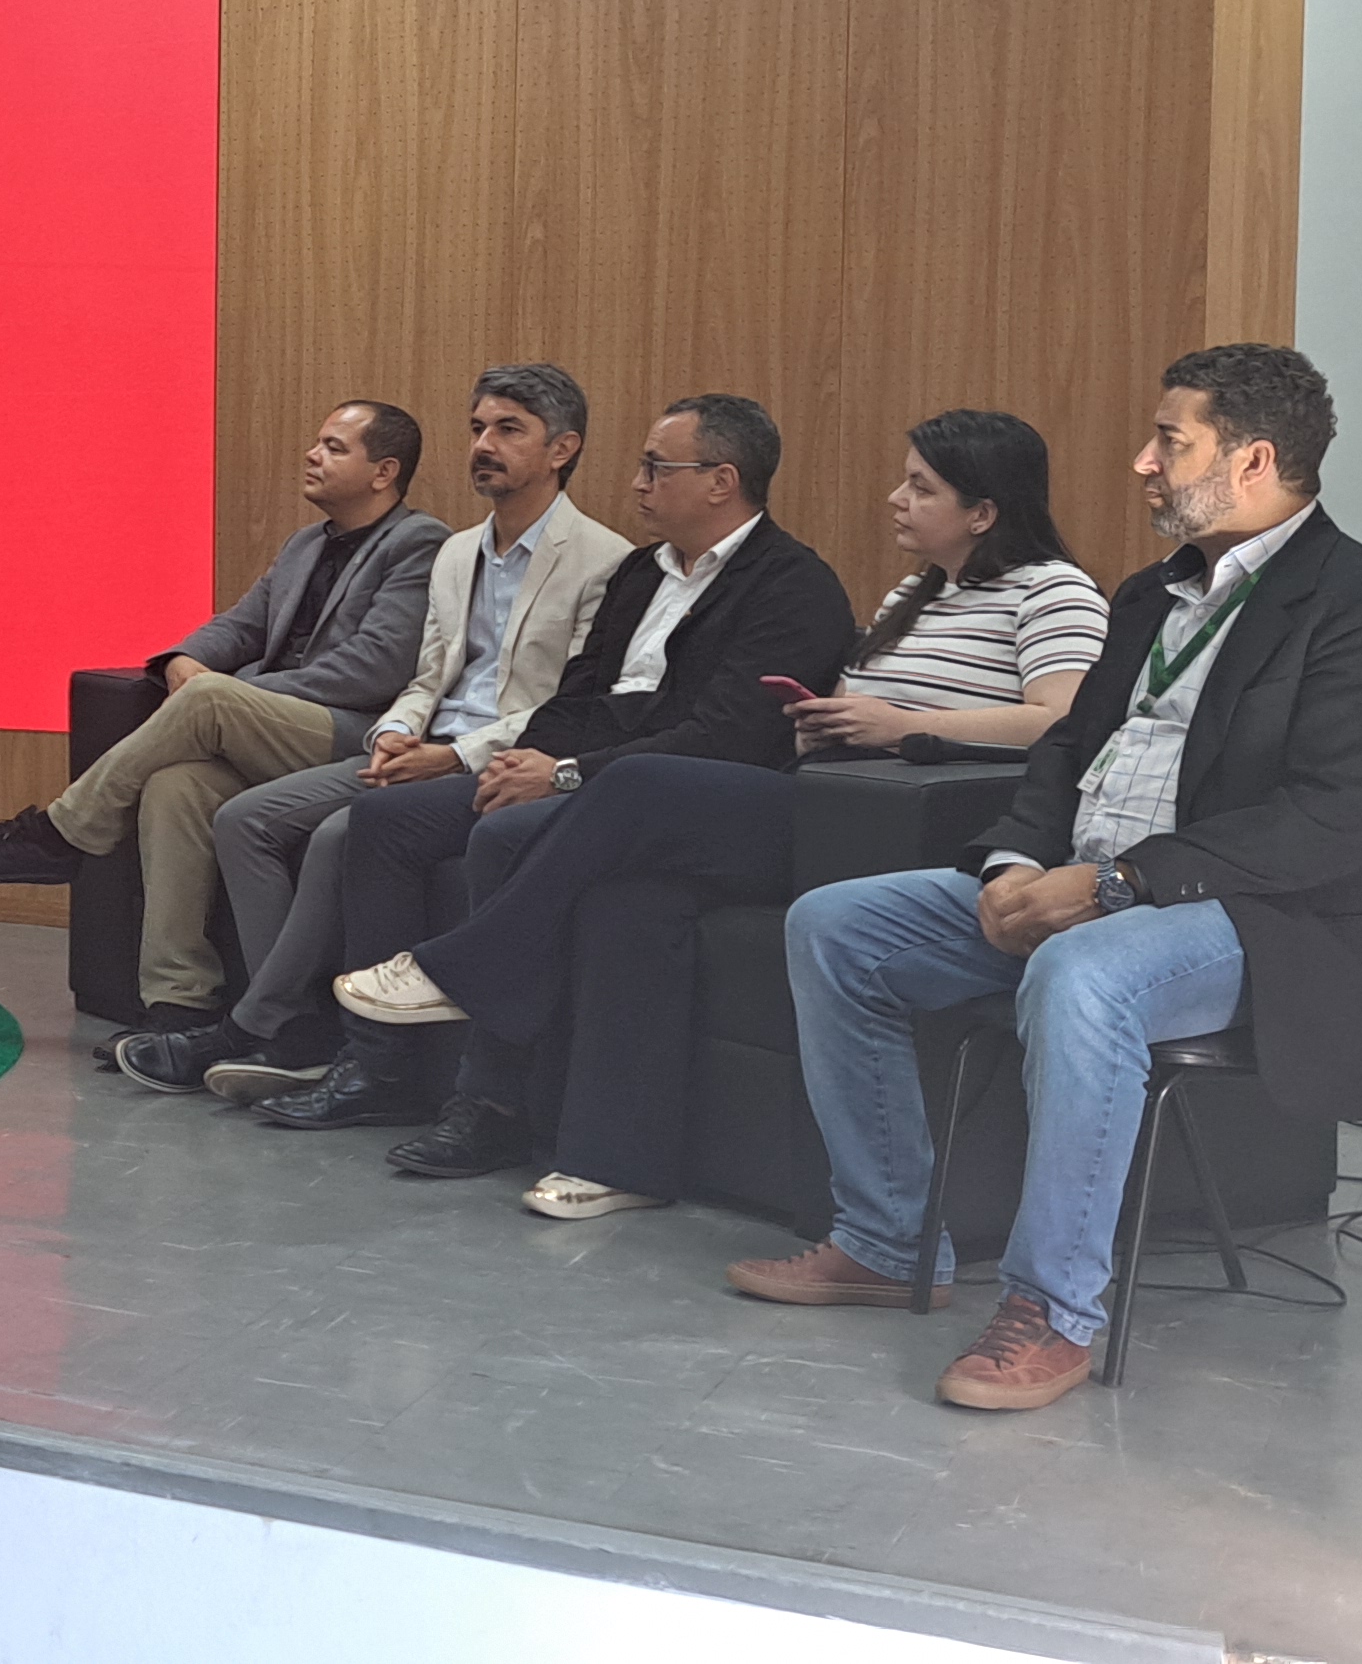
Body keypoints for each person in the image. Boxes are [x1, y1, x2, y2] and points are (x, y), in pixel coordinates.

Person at [736, 345, 1362, 1411]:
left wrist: (1117, 886)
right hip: (1089, 881)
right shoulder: (1150, 593)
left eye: (1169, 440)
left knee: (1085, 976)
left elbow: (1331, 821)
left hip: (1264, 922)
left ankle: (1053, 1309)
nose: (1141, 463)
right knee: (838, 926)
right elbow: (1068, 748)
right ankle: (888, 1241)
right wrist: (1017, 861)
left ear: (1253, 460)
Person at [310, 410, 1108, 1220]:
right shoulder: (916, 592)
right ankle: (616, 1162)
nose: (896, 499)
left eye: (922, 488)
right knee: (630, 901)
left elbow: (1065, 720)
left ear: (983, 511)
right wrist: (827, 718)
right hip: (830, 793)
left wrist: (902, 727)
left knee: (639, 782)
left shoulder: (1053, 590)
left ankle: (466, 968)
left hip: (906, 825)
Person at [258, 394, 856, 1149]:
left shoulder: (792, 586)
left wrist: (566, 773)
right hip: (585, 766)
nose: (637, 483)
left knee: (505, 833)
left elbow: (726, 736)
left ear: (721, 481)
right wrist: (525, 756)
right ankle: (379, 1070)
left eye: (656, 468)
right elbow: (577, 693)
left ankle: (491, 1104)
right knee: (385, 820)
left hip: (674, 796)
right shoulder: (640, 572)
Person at [129, 366, 632, 1098]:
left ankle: (258, 1026)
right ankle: (296, 1025)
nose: (483, 445)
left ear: (562, 449)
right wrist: (396, 732)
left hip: (500, 759)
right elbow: (427, 678)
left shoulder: (606, 561)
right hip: (417, 747)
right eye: (478, 428)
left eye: (508, 430)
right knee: (242, 819)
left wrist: (451, 755)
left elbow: (570, 704)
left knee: (344, 830)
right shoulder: (458, 552)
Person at [0, 402, 446, 1029]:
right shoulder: (307, 544)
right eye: (318, 443)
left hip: (357, 735)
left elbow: (376, 669)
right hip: (277, 729)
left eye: (335, 448)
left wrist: (240, 693)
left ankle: (62, 834)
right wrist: (185, 657)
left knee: (210, 699)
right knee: (174, 787)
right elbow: (242, 624)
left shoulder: (419, 544)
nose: (312, 455)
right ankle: (178, 1001)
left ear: (383, 472)